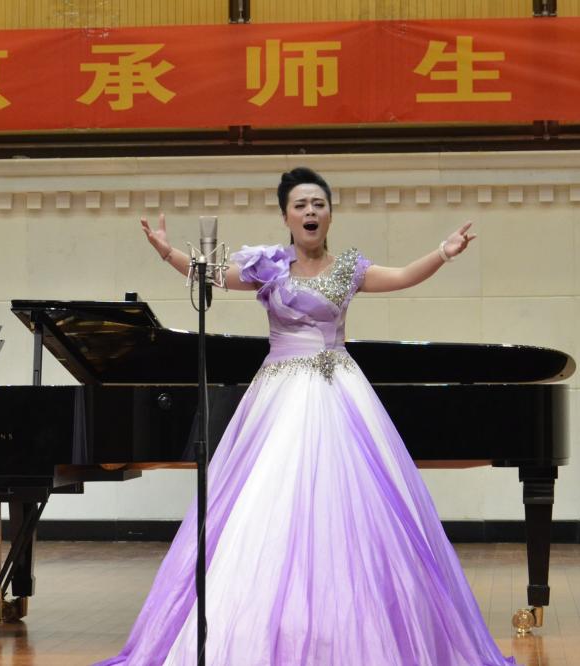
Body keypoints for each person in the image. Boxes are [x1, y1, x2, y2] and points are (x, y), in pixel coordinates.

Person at [98, 167, 514, 665]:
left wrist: (442, 253)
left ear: (330, 215)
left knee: (349, 510)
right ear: (286, 217)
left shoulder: (350, 268)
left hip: (339, 395)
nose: (310, 211)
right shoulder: (269, 266)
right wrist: (169, 253)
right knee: (268, 506)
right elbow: (214, 276)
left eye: (318, 204)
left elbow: (402, 276)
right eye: (300, 205)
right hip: (277, 399)